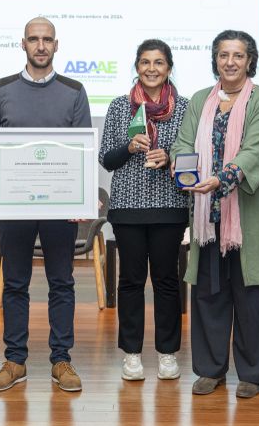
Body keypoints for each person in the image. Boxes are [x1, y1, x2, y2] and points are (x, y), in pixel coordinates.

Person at [0, 17, 91, 392]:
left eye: (47, 40)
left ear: (57, 45)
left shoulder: (74, 90)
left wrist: (81, 197)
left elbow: (84, 148)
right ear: (22, 44)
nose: (41, 45)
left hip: (60, 207)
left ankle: (62, 361)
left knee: (62, 282)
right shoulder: (1, 88)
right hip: (15, 204)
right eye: (34, 39)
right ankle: (15, 361)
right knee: (15, 283)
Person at [171, 30, 259, 399]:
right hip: (208, 216)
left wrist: (222, 177)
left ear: (250, 60)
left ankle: (253, 373)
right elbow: (184, 143)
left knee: (254, 295)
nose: (230, 62)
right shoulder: (200, 100)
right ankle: (209, 369)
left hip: (248, 215)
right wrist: (185, 171)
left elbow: (256, 151)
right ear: (215, 59)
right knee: (208, 293)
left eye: (238, 55)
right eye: (223, 55)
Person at [99, 39, 189, 381]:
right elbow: (107, 159)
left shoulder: (184, 108)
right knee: (131, 281)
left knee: (167, 281)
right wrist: (129, 146)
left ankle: (167, 353)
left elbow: (194, 156)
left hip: (169, 206)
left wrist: (170, 158)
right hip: (128, 208)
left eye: (159, 62)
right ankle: (132, 354)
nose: (152, 68)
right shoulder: (120, 107)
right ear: (136, 67)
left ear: (168, 67)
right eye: (145, 62)